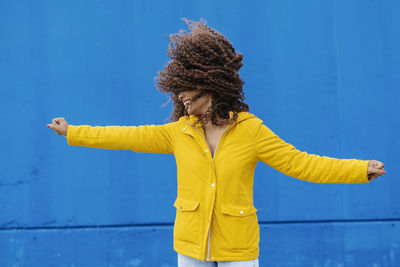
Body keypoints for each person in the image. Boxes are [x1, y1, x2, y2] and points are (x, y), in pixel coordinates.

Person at [47, 18, 385, 267]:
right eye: (179, 94)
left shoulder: (251, 131)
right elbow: (126, 136)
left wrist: (359, 170)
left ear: (212, 87)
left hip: (238, 247)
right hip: (190, 245)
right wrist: (73, 131)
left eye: (188, 93)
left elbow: (302, 163)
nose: (182, 101)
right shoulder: (179, 131)